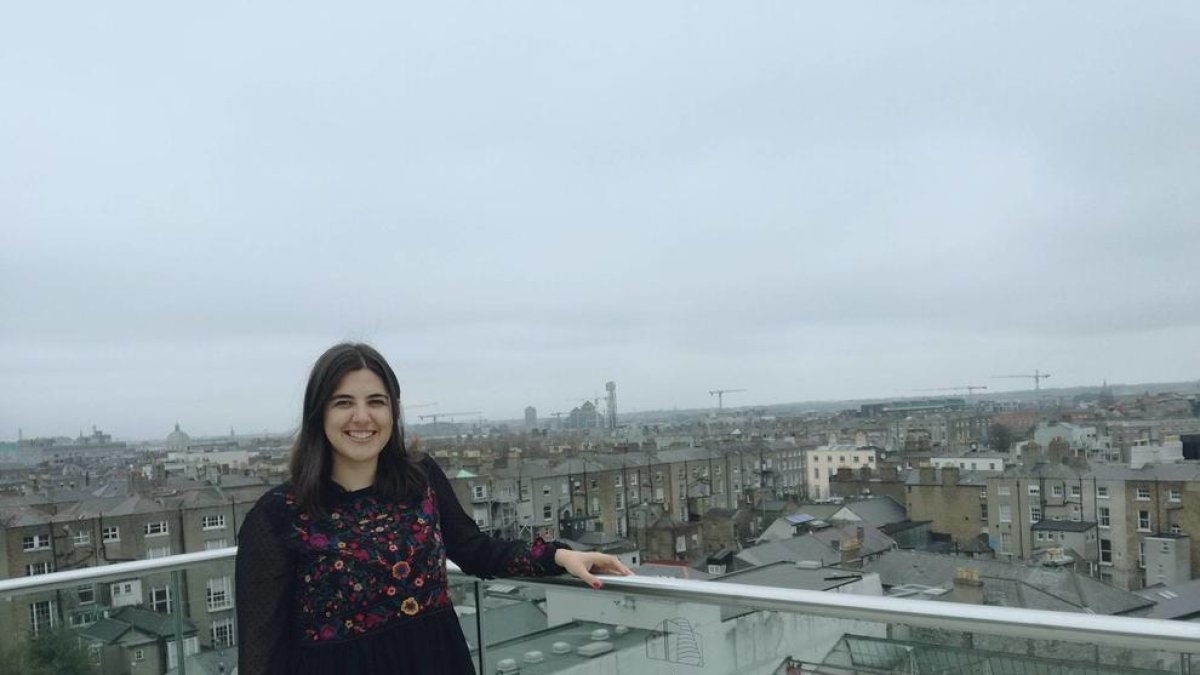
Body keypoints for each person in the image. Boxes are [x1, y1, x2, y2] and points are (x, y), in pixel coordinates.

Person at [236, 343, 631, 674]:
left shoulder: (420, 480)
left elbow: (474, 549)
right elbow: (261, 654)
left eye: (377, 401)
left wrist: (560, 555)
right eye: (343, 403)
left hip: (437, 660)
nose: (362, 417)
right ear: (318, 413)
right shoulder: (279, 516)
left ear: (393, 411)